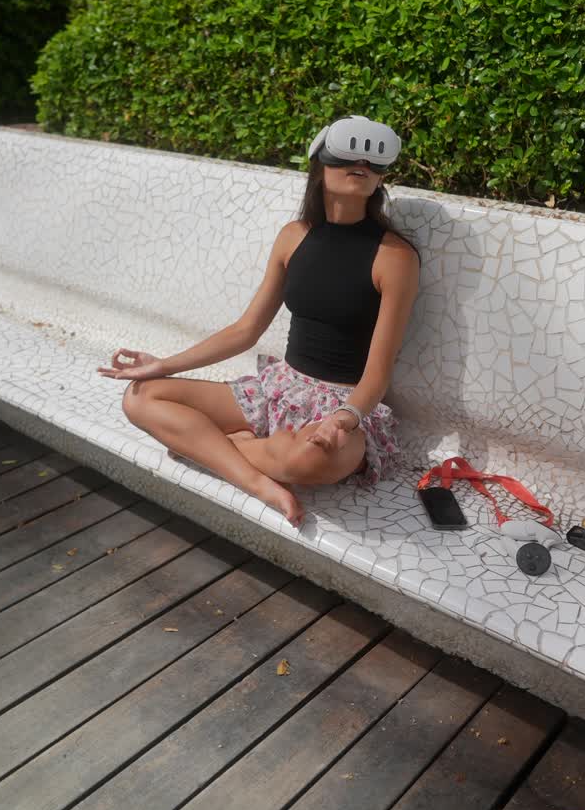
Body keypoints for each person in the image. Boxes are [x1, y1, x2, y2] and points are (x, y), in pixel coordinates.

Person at [97, 116, 420, 529]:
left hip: (344, 407)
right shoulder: (293, 236)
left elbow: (378, 372)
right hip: (279, 389)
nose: (361, 165)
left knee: (307, 460)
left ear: (381, 179)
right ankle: (258, 481)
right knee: (141, 395)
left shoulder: (395, 257)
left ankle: (207, 448)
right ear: (319, 165)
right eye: (346, 156)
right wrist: (163, 365)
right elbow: (245, 330)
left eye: (374, 164)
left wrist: (344, 419)